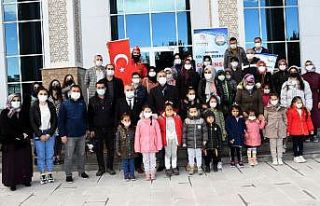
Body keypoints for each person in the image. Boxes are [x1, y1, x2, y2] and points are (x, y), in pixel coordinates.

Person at [0, 94, 33, 191]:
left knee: (24, 161)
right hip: (11, 142)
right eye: (14, 100)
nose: (16, 102)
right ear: (9, 101)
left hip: (23, 141)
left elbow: (28, 124)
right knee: (12, 164)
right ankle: (12, 182)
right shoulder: (5, 113)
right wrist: (16, 136)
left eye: (18, 100)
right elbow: (4, 128)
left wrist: (26, 133)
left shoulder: (23, 112)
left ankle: (25, 179)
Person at [58, 85, 89, 183]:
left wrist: (87, 129)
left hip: (81, 134)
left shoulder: (82, 103)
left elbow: (85, 118)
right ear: (70, 92)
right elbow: (60, 121)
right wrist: (62, 134)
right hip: (69, 135)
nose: (76, 92)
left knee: (81, 154)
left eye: (77, 91)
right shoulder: (64, 104)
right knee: (69, 156)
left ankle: (81, 171)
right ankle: (68, 174)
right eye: (74, 91)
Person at [30, 87, 57, 184]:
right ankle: (42, 174)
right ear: (37, 95)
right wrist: (39, 134)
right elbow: (32, 122)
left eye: (45, 94)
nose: (43, 96)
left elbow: (54, 121)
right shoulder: (34, 106)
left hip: (49, 132)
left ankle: (49, 173)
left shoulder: (51, 105)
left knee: (50, 154)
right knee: (41, 155)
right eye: (41, 94)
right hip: (39, 133)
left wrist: (49, 133)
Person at [88, 80, 115, 176]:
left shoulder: (111, 99)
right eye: (98, 88)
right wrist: (91, 129)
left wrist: (114, 127)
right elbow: (89, 116)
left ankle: (110, 167)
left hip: (109, 127)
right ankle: (101, 168)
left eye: (102, 87)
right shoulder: (92, 100)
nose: (100, 89)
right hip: (97, 128)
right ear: (96, 88)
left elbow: (114, 114)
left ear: (105, 88)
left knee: (110, 148)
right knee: (98, 149)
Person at [115, 84, 144, 173]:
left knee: (137, 147)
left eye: (131, 89)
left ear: (134, 91)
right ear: (124, 91)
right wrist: (120, 126)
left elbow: (142, 115)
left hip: (136, 129)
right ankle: (127, 168)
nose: (129, 91)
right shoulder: (120, 101)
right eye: (127, 90)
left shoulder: (139, 101)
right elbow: (116, 115)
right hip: (124, 129)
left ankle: (138, 166)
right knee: (127, 147)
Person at [134, 106, 162, 180]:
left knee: (153, 159)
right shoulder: (140, 122)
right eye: (146, 111)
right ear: (143, 112)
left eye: (149, 111)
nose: (148, 113)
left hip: (153, 144)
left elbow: (158, 133)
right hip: (143, 145)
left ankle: (152, 173)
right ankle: (147, 173)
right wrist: (137, 147)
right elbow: (137, 135)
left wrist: (159, 145)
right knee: (145, 160)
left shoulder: (155, 121)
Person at [158, 103, 183, 177]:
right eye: (167, 109)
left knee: (174, 153)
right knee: (168, 153)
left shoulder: (177, 117)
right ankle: (168, 167)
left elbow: (180, 128)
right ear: (164, 110)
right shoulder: (161, 118)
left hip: (175, 138)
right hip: (167, 139)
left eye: (170, 109)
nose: (169, 111)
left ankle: (174, 167)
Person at [287, 96, 314, 163]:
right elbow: (289, 122)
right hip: (295, 131)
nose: (299, 104)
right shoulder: (290, 111)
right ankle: (296, 156)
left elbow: (308, 120)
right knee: (295, 144)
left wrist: (311, 129)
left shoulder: (304, 111)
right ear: (294, 103)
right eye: (298, 102)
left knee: (301, 143)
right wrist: (288, 130)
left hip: (302, 130)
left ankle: (300, 155)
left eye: (300, 102)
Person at [182, 106, 208, 175]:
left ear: (197, 111)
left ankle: (199, 167)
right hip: (190, 143)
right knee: (190, 156)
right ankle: (192, 167)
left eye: (194, 112)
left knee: (199, 155)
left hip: (199, 142)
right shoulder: (187, 120)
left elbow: (205, 131)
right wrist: (184, 142)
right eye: (191, 112)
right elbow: (184, 132)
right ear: (189, 112)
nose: (193, 113)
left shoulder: (201, 120)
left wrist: (205, 139)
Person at [264, 93, 287, 165]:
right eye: (272, 99)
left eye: (275, 99)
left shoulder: (282, 108)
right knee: (273, 144)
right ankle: (274, 158)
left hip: (280, 128)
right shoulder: (267, 108)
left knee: (280, 144)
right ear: (270, 100)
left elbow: (285, 118)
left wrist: (285, 126)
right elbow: (265, 119)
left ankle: (280, 158)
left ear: (278, 99)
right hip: (271, 128)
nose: (274, 101)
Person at [302, 60, 320, 142]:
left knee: (315, 116)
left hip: (315, 96)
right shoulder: (303, 76)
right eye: (307, 65)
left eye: (310, 64)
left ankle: (315, 134)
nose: (308, 66)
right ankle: (307, 134)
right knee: (306, 114)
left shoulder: (318, 76)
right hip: (306, 97)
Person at [115, 114, 137, 181]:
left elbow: (135, 139)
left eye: (128, 120)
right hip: (123, 150)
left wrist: (136, 149)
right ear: (122, 121)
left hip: (132, 150)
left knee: (132, 164)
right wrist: (118, 150)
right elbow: (117, 140)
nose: (127, 121)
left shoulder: (133, 129)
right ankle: (126, 176)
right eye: (125, 120)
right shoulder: (119, 130)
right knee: (125, 164)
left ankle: (132, 175)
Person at [48, 79, 63, 165]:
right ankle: (53, 157)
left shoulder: (61, 96)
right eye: (54, 83)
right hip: (51, 121)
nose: (55, 85)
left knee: (59, 140)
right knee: (53, 140)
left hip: (60, 120)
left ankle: (58, 156)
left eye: (57, 84)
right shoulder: (48, 97)